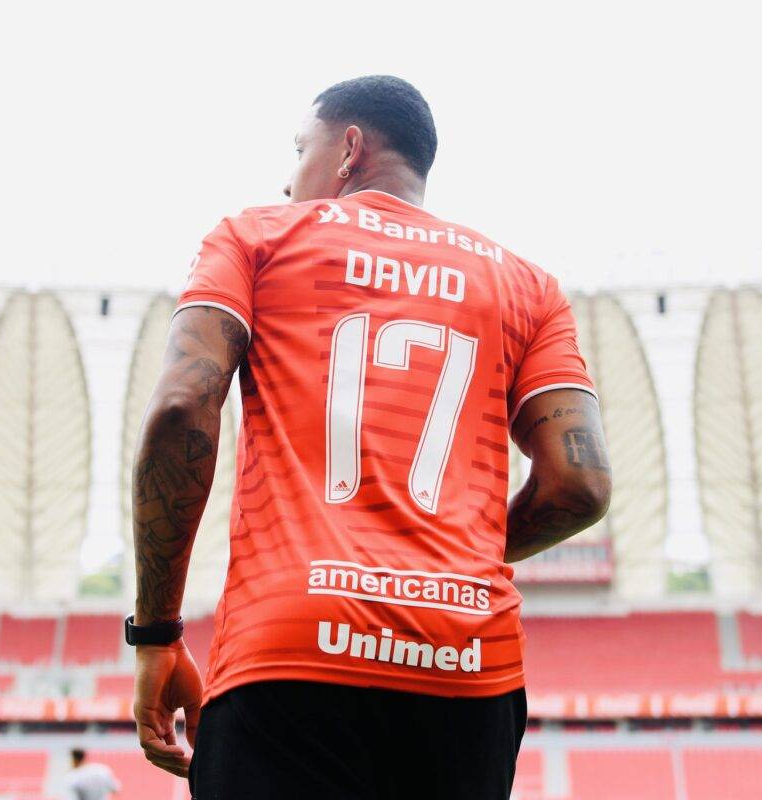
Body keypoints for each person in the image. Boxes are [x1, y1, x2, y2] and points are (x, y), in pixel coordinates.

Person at [130, 75, 612, 799]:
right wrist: (453, 556)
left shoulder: (255, 237)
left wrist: (157, 633)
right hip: (466, 662)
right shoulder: (528, 287)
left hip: (287, 650)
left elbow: (181, 405)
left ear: (349, 149)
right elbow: (582, 484)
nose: (288, 181)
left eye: (300, 151)